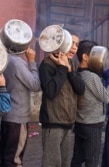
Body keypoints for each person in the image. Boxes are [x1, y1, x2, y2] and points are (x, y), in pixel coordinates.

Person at [71, 40, 109, 167]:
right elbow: (106, 97)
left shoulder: (79, 73)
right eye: (95, 53)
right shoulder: (91, 77)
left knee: (77, 158)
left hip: (80, 122)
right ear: (85, 57)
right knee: (92, 160)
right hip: (92, 124)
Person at [39, 36, 85, 167]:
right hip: (53, 122)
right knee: (52, 163)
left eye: (77, 44)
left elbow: (80, 89)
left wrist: (69, 70)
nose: (75, 47)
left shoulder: (73, 64)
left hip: (69, 122)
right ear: (62, 43)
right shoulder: (47, 64)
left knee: (65, 163)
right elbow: (51, 91)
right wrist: (62, 68)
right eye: (71, 43)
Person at [0, 47, 40, 167]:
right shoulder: (16, 62)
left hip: (8, 116)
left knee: (6, 156)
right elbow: (35, 85)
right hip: (17, 117)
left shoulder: (5, 59)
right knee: (14, 159)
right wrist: (31, 61)